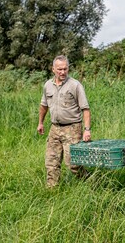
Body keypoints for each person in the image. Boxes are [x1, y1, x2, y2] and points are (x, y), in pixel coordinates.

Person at [37, 55, 91, 188]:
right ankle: (51, 190)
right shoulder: (48, 85)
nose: (62, 72)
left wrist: (87, 130)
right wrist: (41, 123)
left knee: (73, 164)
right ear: (53, 69)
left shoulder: (75, 85)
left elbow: (85, 109)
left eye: (65, 69)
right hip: (54, 128)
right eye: (59, 69)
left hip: (72, 129)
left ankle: (89, 183)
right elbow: (44, 105)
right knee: (51, 162)